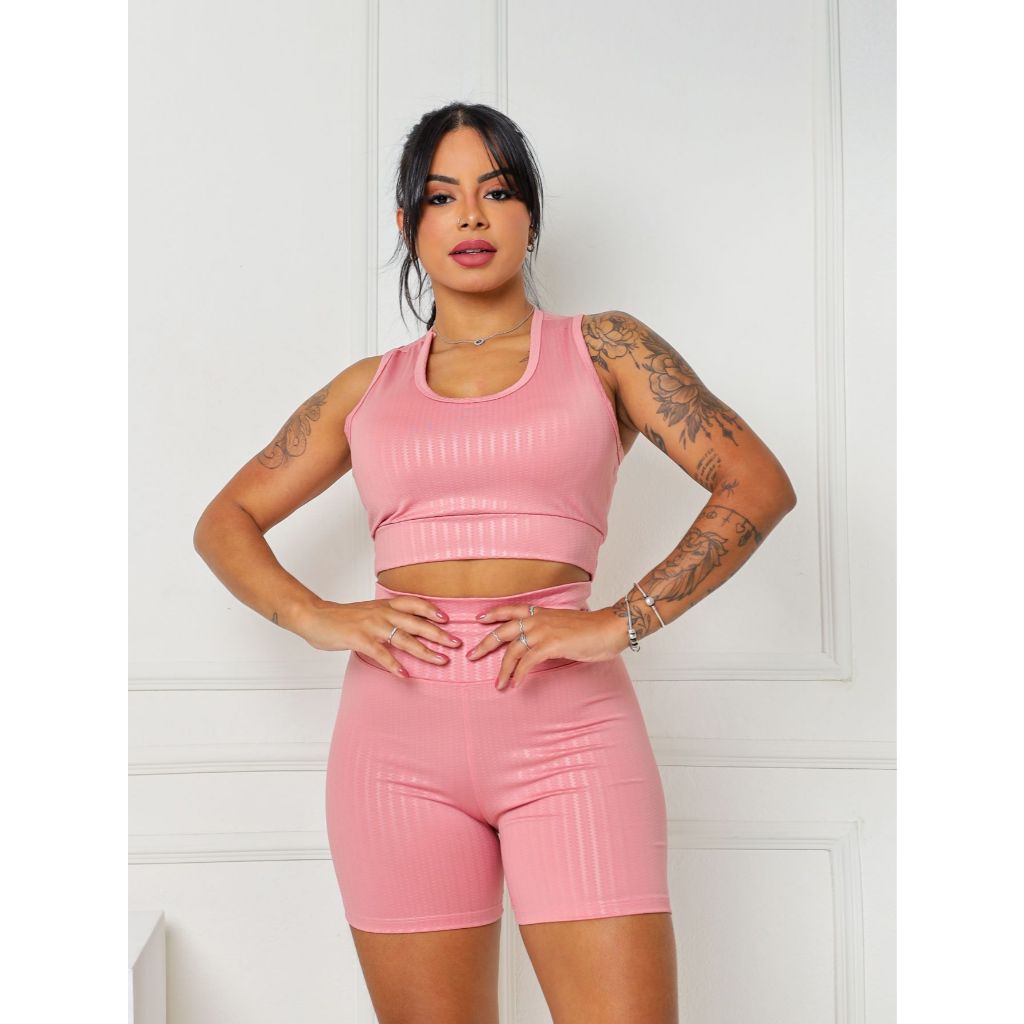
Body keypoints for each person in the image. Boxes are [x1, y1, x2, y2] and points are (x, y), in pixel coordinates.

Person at [193, 101, 797, 1024]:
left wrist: (621, 621)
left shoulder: (606, 348)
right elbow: (225, 519)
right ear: (409, 223)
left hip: (571, 738)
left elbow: (755, 483)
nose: (471, 215)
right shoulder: (367, 387)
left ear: (530, 216)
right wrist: (319, 617)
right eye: (443, 197)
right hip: (393, 751)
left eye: (498, 191)